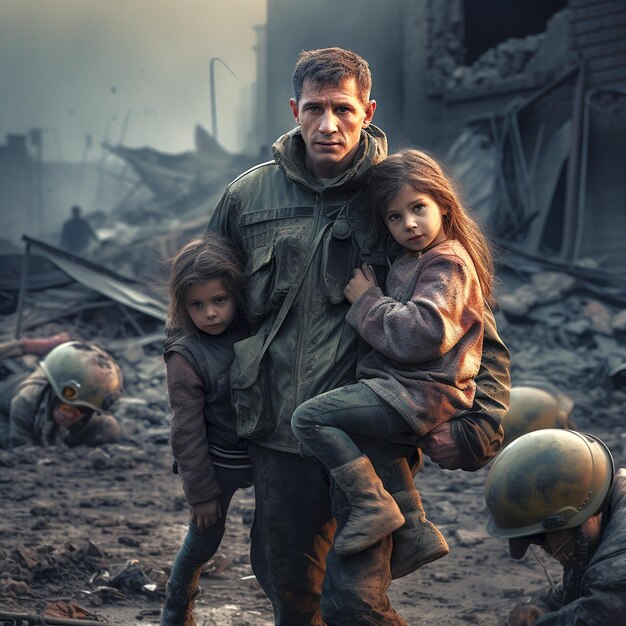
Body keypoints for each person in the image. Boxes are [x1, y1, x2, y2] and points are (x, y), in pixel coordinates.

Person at [208, 47, 511, 625]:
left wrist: (481, 426)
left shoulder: (396, 198)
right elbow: (202, 317)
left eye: (343, 109)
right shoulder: (247, 200)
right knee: (289, 595)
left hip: (373, 437)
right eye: (315, 109)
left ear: (367, 110)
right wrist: (202, 438)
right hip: (277, 438)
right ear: (294, 109)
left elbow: (476, 329)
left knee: (354, 604)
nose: (329, 125)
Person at [291, 148, 491, 561]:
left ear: (444, 204)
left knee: (309, 419)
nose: (409, 224)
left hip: (419, 393)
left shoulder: (448, 264)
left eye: (418, 208)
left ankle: (371, 505)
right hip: (410, 391)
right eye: (394, 217)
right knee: (376, 448)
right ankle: (416, 531)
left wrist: (366, 301)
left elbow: (423, 334)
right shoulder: (417, 259)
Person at [160, 234, 252, 626]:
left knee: (275, 543)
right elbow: (186, 430)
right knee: (203, 541)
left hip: (265, 453)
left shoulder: (254, 332)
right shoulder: (186, 357)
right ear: (183, 307)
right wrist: (201, 493)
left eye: (219, 300)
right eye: (197, 305)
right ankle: (177, 606)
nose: (211, 313)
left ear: (236, 294)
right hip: (216, 462)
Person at [484, 428, 626, 625]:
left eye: (541, 537)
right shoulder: (611, 503)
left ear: (581, 519)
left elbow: (603, 606)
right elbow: (585, 579)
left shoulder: (617, 571)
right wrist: (543, 604)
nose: (544, 549)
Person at [0, 340, 122, 449]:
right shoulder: (26, 401)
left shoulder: (95, 421)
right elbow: (24, 452)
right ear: (53, 394)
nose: (69, 415)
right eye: (66, 407)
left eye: (81, 410)